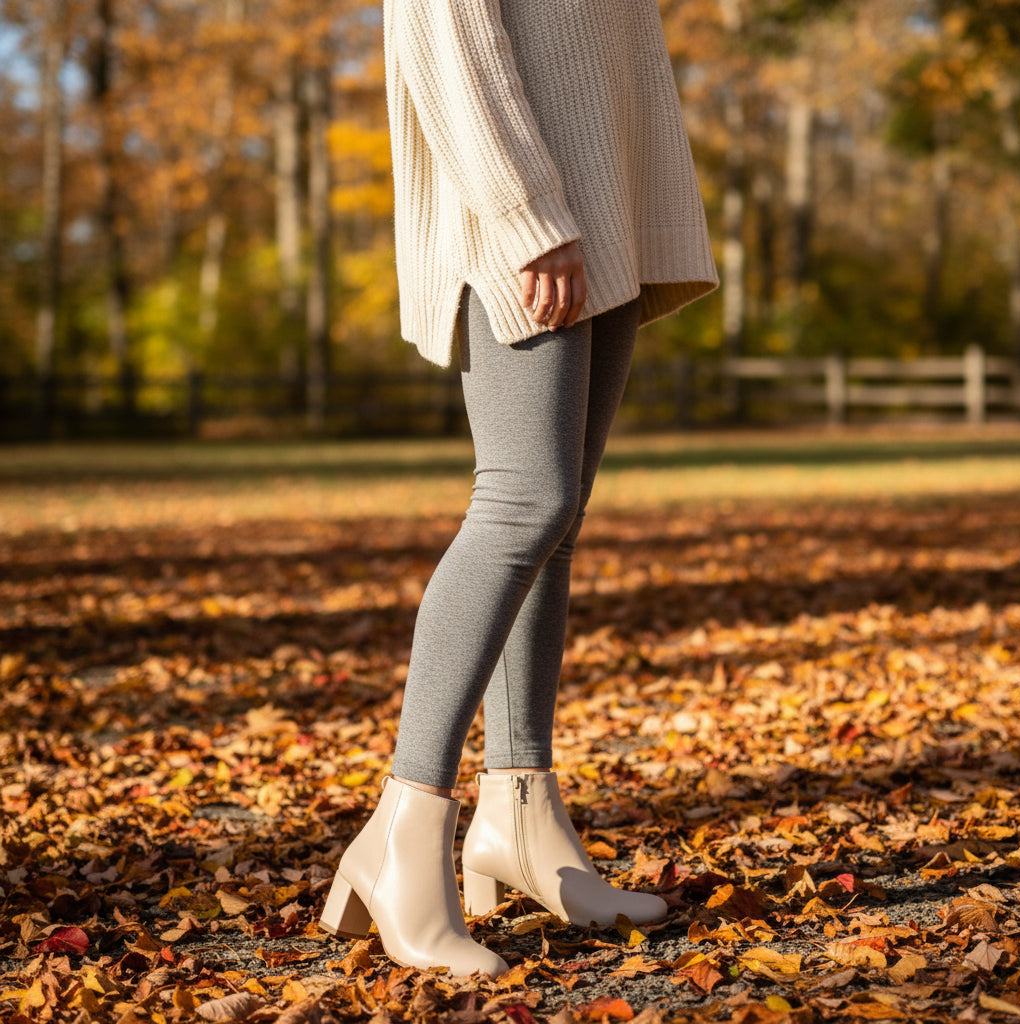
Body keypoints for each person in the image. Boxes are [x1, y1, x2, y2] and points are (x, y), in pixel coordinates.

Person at [319, 0, 718, 977]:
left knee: (557, 517)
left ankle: (522, 818)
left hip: (605, 194)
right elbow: (441, 26)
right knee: (521, 502)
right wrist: (521, 211)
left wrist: (634, 207)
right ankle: (400, 837)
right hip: (520, 201)